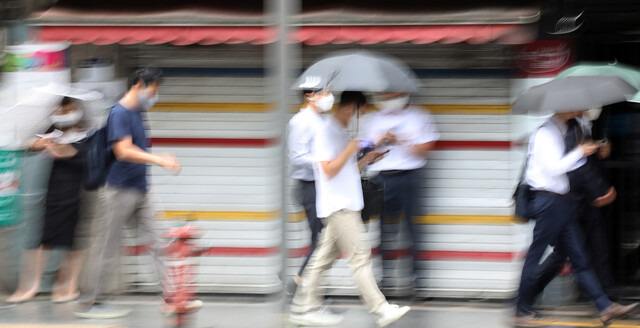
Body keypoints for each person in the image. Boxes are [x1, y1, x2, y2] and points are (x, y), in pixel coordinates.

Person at [74, 68, 197, 319]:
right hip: (118, 190)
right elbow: (123, 151)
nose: (154, 96)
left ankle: (171, 298)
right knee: (107, 247)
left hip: (140, 189)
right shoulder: (119, 113)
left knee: (163, 242)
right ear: (140, 84)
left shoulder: (138, 112)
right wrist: (159, 160)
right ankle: (92, 301)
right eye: (153, 90)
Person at [289, 91, 410, 327]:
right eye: (361, 112)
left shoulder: (340, 132)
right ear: (350, 109)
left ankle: (302, 307)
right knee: (360, 257)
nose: (362, 117)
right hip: (339, 206)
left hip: (346, 202)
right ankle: (381, 309)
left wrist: (366, 160)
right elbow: (328, 171)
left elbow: (346, 171)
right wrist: (351, 149)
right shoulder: (326, 132)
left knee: (321, 259)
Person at [515, 110, 638, 327]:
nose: (579, 108)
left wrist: (590, 152)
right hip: (548, 202)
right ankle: (521, 308)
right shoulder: (545, 134)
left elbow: (572, 166)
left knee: (580, 257)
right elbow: (554, 168)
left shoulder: (563, 130)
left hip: (562, 202)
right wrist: (579, 151)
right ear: (562, 108)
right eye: (572, 106)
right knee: (535, 255)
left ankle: (605, 307)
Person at [7, 97, 90, 303]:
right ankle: (30, 286)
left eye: (67, 109)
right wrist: (39, 143)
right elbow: (29, 145)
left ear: (77, 110)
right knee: (45, 242)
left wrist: (61, 149)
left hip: (76, 193)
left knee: (73, 243)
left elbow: (82, 156)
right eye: (61, 110)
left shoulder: (86, 134)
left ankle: (68, 287)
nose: (64, 114)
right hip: (54, 192)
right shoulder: (55, 130)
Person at [533, 110, 617, 300]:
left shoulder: (586, 125)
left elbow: (588, 158)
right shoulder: (571, 128)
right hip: (575, 200)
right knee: (565, 254)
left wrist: (601, 149)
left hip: (584, 199)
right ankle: (528, 292)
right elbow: (579, 166)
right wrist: (599, 190)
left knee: (596, 247)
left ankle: (607, 299)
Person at [360, 92, 439, 286]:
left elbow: (427, 149)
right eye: (384, 95)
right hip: (383, 177)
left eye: (392, 94)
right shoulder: (371, 118)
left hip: (411, 175)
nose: (387, 98)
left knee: (414, 228)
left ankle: (416, 280)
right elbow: (363, 154)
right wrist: (380, 142)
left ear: (403, 93)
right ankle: (385, 278)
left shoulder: (420, 116)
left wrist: (402, 140)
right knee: (384, 229)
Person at [286, 89, 333, 291]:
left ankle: (307, 284)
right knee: (321, 240)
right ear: (310, 96)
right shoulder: (300, 122)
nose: (330, 97)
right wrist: (324, 163)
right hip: (309, 188)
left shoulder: (322, 121)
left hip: (323, 186)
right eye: (324, 93)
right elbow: (297, 158)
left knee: (324, 240)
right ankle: (298, 283)